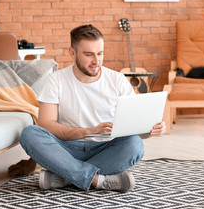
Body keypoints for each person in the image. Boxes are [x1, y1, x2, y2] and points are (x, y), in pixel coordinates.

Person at [20, 24, 166, 193]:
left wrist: (152, 129)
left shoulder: (117, 80)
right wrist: (88, 131)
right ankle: (98, 180)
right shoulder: (56, 80)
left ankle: (66, 177)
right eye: (89, 54)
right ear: (72, 53)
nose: (96, 61)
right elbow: (45, 124)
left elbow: (135, 128)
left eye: (100, 53)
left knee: (135, 144)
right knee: (30, 133)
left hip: (106, 148)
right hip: (67, 149)